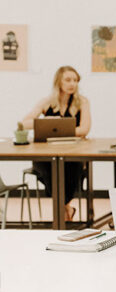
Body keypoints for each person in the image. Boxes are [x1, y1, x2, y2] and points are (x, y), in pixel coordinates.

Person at [21, 66, 91, 221]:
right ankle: (66, 209)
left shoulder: (82, 102)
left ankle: (60, 213)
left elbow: (84, 129)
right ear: (58, 82)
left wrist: (59, 127)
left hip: (73, 152)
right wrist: (46, 122)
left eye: (75, 80)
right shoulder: (47, 102)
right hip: (47, 153)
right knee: (48, 167)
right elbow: (24, 123)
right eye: (68, 80)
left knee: (72, 167)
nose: (72, 83)